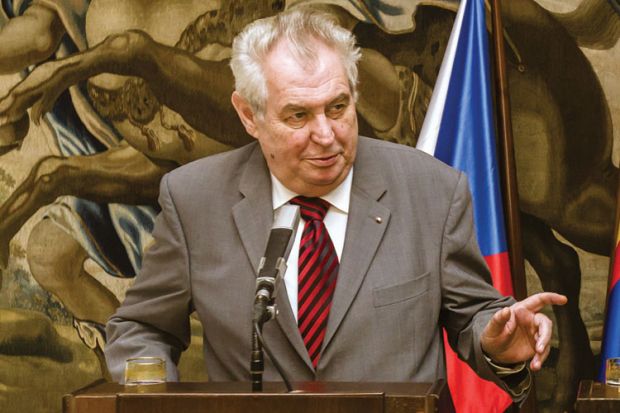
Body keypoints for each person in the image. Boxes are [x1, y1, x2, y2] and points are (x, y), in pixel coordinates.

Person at [104, 7, 566, 401]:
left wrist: (495, 342)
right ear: (249, 115)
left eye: (338, 107)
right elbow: (143, 329)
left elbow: (473, 318)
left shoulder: (433, 190)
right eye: (298, 115)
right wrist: (154, 398)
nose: (325, 135)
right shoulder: (193, 199)